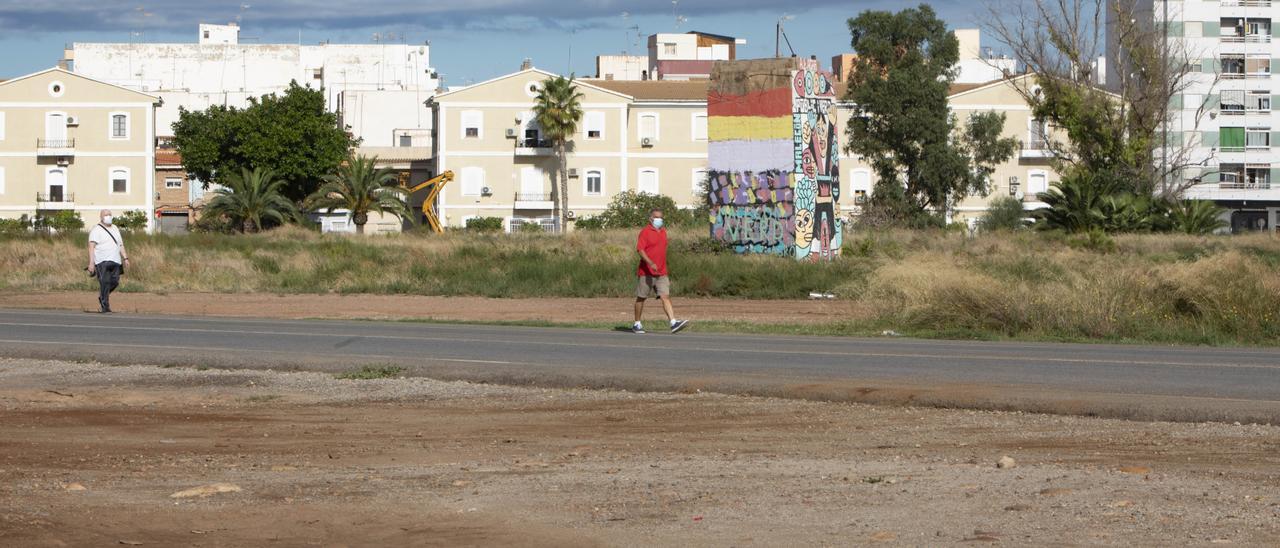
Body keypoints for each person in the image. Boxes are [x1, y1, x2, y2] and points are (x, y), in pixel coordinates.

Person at [633, 208, 689, 334]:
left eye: (661, 217)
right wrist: (650, 262)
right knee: (641, 298)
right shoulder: (645, 232)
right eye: (656, 217)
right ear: (650, 218)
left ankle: (673, 322)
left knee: (665, 296)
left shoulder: (663, 232)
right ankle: (637, 323)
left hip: (662, 272)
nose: (659, 220)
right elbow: (640, 250)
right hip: (646, 272)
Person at [87, 209, 129, 313]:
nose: (108, 216)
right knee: (104, 282)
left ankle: (103, 295)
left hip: (116, 260)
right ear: (101, 217)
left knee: (115, 282)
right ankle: (105, 306)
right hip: (102, 261)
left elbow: (120, 244)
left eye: (110, 214)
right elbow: (91, 247)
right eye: (106, 215)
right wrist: (91, 263)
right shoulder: (96, 230)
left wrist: (125, 258)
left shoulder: (115, 228)